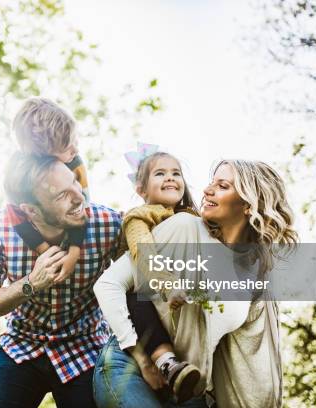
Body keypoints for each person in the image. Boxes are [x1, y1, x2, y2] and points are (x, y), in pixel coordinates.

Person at [93, 160, 298, 408]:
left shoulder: (254, 277)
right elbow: (109, 284)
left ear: (248, 204)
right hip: (134, 362)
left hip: (188, 386)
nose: (207, 190)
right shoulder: (184, 227)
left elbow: (248, 359)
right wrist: (144, 361)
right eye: (211, 183)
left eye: (222, 186)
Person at [0, 152, 121, 408]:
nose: (79, 196)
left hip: (85, 347)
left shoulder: (107, 224)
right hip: (21, 346)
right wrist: (30, 284)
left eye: (74, 182)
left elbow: (150, 272)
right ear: (30, 210)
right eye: (61, 195)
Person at [116, 147, 202, 402]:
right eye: (160, 173)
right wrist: (167, 284)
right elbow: (144, 252)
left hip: (185, 299)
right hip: (150, 289)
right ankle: (166, 362)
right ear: (141, 189)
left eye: (176, 173)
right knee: (136, 298)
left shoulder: (192, 217)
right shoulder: (139, 217)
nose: (170, 178)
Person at [7, 97, 89, 280]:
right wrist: (48, 252)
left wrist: (74, 252)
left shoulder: (75, 163)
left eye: (75, 140)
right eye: (67, 147)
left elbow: (83, 207)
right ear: (42, 155)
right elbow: (16, 217)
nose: (75, 149)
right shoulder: (18, 176)